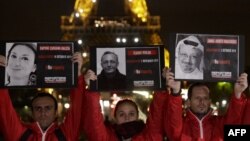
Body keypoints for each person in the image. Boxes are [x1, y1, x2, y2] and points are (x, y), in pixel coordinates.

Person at [0, 52, 85, 140]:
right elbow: (4, 106)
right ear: (32, 113)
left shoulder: (66, 134)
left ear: (55, 112)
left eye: (48, 108)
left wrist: (77, 72)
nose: (43, 112)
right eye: (38, 108)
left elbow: (77, 107)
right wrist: (1, 73)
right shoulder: (20, 135)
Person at [164, 68, 248, 141]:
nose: (202, 102)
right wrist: (175, 93)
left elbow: (234, 122)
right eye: (197, 98)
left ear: (209, 101)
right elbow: (174, 125)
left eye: (205, 98)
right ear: (188, 102)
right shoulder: (182, 126)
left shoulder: (219, 124)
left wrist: (237, 94)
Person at [82, 69, 167, 141]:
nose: (127, 118)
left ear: (137, 116)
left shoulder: (149, 137)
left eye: (131, 114)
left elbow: (157, 114)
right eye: (122, 114)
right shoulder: (107, 138)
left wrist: (162, 84)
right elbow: (95, 122)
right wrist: (92, 88)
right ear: (115, 117)